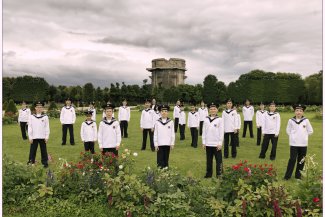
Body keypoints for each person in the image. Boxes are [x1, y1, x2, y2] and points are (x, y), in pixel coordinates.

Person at [284, 104, 313, 180]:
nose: (298, 112)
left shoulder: (306, 121)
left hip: (303, 144)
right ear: (294, 111)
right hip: (294, 144)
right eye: (297, 110)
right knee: (292, 159)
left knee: (301, 161)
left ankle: (298, 175)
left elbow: (310, 131)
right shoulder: (291, 121)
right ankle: (287, 176)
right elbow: (288, 130)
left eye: (300, 111)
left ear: (303, 112)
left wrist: (304, 137)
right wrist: (293, 137)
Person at [202, 103, 224, 178]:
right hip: (208, 143)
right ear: (209, 110)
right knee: (209, 160)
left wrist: (220, 143)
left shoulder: (220, 119)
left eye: (214, 109)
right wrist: (204, 142)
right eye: (211, 109)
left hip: (216, 144)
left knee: (219, 160)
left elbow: (221, 132)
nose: (212, 110)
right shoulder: (206, 119)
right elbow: (204, 131)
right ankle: (208, 174)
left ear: (217, 110)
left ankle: (219, 173)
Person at [27, 101, 50, 168]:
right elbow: (30, 127)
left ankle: (45, 163)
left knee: (44, 151)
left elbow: (47, 127)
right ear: (35, 108)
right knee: (32, 151)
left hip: (42, 137)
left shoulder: (45, 117)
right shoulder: (31, 117)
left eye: (40, 107)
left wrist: (47, 136)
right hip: (34, 137)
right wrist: (30, 137)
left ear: (42, 108)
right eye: (38, 107)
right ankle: (31, 162)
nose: (39, 108)